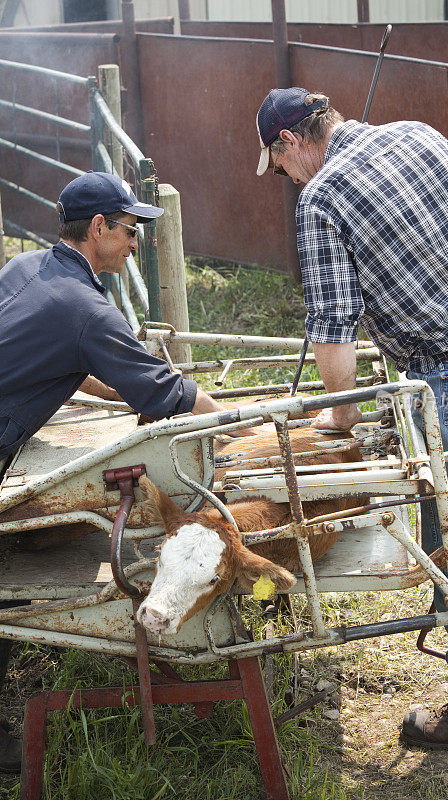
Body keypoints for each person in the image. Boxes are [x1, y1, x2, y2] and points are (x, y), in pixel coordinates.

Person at [255, 87, 448, 750]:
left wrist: (343, 421)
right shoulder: (419, 133)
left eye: (278, 166)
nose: (286, 181)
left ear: (289, 142)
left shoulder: (321, 196)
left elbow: (331, 330)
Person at [0, 171, 254, 771]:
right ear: (98, 228)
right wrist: (247, 421)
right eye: (130, 228)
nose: (135, 240)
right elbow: (170, 392)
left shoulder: (26, 269)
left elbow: (70, 361)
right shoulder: (87, 309)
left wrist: (119, 391)